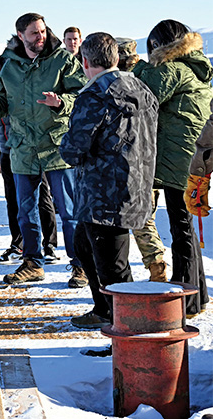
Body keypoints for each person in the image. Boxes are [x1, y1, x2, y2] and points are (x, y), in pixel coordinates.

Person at [0, 12, 87, 286]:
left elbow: (83, 94)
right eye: (33, 33)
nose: (40, 37)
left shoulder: (62, 60)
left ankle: (81, 265)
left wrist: (61, 102)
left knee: (68, 211)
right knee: (25, 210)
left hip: (56, 147)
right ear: (21, 36)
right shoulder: (10, 66)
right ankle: (32, 263)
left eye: (42, 31)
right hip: (23, 149)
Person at [60, 32, 159, 328]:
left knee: (114, 269)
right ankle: (105, 310)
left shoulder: (94, 95)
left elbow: (74, 150)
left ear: (85, 61)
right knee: (84, 246)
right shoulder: (142, 88)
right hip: (136, 185)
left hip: (103, 194)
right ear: (116, 58)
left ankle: (127, 330)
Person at [132, 20, 212, 317]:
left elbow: (142, 98)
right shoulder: (193, 65)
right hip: (191, 158)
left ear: (158, 46)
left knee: (181, 232)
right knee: (185, 229)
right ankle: (197, 296)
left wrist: (137, 68)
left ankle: (185, 300)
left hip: (177, 161)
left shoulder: (171, 69)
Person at [0, 48, 61, 267]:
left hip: (27, 149)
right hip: (8, 150)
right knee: (15, 201)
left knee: (41, 198)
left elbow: (20, 115)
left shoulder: (11, 80)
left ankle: (49, 246)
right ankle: (20, 245)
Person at [117, 37, 168, 282]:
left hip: (137, 163)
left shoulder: (129, 83)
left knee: (142, 218)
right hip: (153, 159)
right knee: (145, 217)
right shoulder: (150, 74)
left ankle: (157, 269)